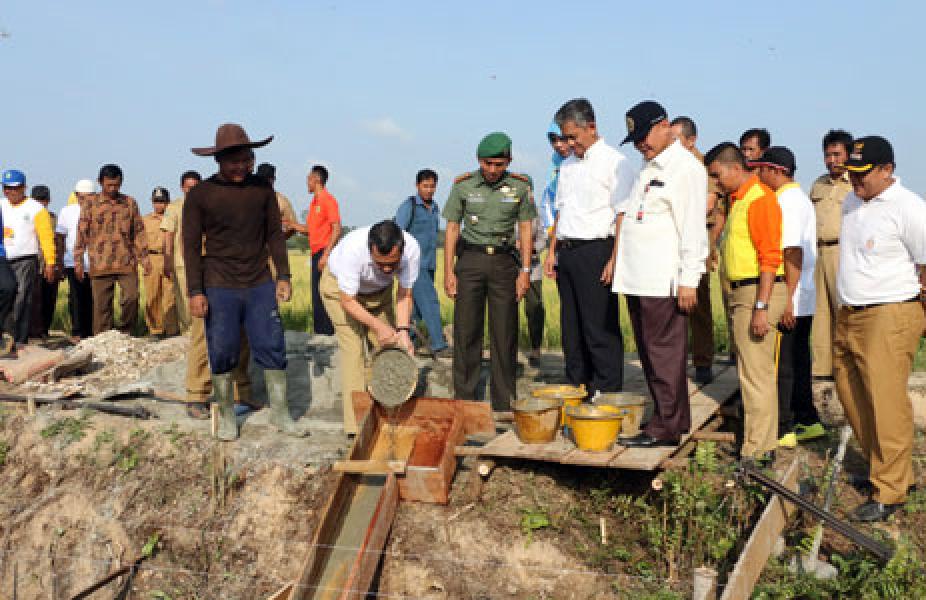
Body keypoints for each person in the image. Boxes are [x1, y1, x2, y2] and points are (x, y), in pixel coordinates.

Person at [184, 123, 306, 440]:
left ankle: (280, 413)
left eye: (245, 160)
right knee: (222, 347)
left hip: (258, 281)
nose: (241, 167)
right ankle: (226, 415)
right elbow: (191, 247)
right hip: (219, 282)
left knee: (270, 342)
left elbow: (275, 236)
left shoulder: (262, 190)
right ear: (218, 161)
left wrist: (284, 275)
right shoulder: (200, 195)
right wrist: (195, 291)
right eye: (233, 161)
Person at [834, 136, 926, 522]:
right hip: (850, 313)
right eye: (851, 175)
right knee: (850, 392)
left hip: (890, 313)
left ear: (887, 170)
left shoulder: (909, 208)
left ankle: (891, 491)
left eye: (863, 175)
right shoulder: (852, 202)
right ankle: (887, 469)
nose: (856, 183)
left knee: (886, 402)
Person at [613, 102, 708, 447]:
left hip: (662, 280)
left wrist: (689, 279)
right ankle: (675, 418)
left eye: (644, 136)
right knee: (652, 354)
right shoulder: (648, 166)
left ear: (665, 125)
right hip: (638, 277)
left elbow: (693, 230)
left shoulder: (685, 169)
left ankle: (664, 428)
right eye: (635, 139)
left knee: (663, 355)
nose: (641, 144)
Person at [543, 98, 636, 395]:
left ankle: (607, 392)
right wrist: (552, 251)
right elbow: (561, 211)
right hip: (567, 252)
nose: (569, 143)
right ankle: (577, 388)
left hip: (597, 250)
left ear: (591, 127)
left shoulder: (615, 162)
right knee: (571, 329)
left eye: (573, 136)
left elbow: (622, 213)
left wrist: (614, 258)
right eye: (565, 137)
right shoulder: (567, 166)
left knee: (599, 328)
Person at [705, 143, 786, 465]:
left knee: (756, 375)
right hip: (746, 293)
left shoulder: (760, 200)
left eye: (717, 175)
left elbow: (770, 258)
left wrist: (762, 307)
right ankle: (760, 443)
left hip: (756, 293)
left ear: (735, 168)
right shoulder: (739, 201)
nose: (715, 182)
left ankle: (757, 449)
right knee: (753, 373)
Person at [443, 132, 535, 410]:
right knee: (466, 332)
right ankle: (465, 401)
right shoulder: (463, 186)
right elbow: (451, 228)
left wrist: (526, 271)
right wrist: (449, 271)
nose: (492, 170)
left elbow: (526, 228)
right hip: (470, 260)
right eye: (487, 164)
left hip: (504, 263)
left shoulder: (519, 187)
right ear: (478, 160)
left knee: (504, 333)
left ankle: (503, 402)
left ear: (508, 161)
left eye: (498, 164)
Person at [752, 147, 824, 448]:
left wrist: (787, 301)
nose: (758, 175)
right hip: (799, 293)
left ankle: (782, 427)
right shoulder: (796, 199)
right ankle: (806, 419)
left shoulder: (787, 202)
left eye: (762, 169)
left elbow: (791, 251)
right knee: (797, 359)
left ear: (777, 171)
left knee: (782, 365)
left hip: (790, 294)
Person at [321, 220, 419, 434]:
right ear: (370, 250)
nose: (386, 268)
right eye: (379, 263)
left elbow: (404, 294)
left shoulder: (412, 250)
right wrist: (378, 326)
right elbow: (348, 301)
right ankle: (356, 428)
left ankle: (390, 415)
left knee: (392, 350)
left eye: (392, 264)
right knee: (354, 352)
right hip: (340, 293)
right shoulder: (352, 252)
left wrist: (402, 331)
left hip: (379, 294)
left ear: (401, 250)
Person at [671, 116, 722, 383]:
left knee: (699, 303)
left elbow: (708, 204)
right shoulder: (668, 166)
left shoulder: (704, 168)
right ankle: (675, 361)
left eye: (677, 139)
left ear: (691, 141)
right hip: (670, 240)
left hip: (697, 239)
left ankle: (703, 360)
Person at [74, 164, 150, 335]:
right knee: (101, 307)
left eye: (116, 185)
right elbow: (82, 232)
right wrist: (78, 260)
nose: (113, 188)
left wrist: (144, 257)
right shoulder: (90, 204)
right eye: (109, 185)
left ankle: (126, 332)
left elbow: (138, 231)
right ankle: (103, 339)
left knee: (132, 298)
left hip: (126, 260)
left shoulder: (129, 203)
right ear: (100, 182)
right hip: (100, 262)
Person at [810, 130, 854, 379]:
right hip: (819, 252)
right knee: (821, 312)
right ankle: (822, 369)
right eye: (828, 155)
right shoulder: (818, 184)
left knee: (843, 310)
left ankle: (846, 367)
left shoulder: (855, 185)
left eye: (837, 154)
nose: (832, 160)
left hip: (843, 252)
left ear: (848, 154)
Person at [394, 169, 450, 358]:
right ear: (417, 186)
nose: (429, 190)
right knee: (431, 303)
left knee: (416, 310)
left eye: (432, 186)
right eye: (425, 186)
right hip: (414, 265)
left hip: (429, 263)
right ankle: (439, 345)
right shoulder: (409, 206)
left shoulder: (434, 207)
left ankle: (405, 342)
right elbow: (397, 232)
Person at [1, 170, 56, 346]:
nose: (10, 192)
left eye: (15, 188)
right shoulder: (1, 205)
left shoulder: (36, 209)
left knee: (22, 297)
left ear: (24, 188)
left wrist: (50, 262)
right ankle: (5, 335)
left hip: (25, 259)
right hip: (3, 260)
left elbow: (46, 237)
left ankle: (19, 339)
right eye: (6, 188)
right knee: (6, 296)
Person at [286, 165, 339, 336]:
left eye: (308, 179)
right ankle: (320, 333)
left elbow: (336, 228)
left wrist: (326, 254)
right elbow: (310, 229)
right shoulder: (314, 202)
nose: (306, 183)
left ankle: (328, 334)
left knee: (325, 294)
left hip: (325, 253)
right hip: (316, 252)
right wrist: (291, 224)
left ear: (316, 180)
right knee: (316, 295)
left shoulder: (328, 200)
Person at [162, 170, 201, 333]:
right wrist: (167, 260)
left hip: (205, 261)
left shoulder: (207, 204)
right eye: (188, 188)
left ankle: (203, 334)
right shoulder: (175, 207)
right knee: (185, 300)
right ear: (182, 188)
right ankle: (188, 334)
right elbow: (168, 234)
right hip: (182, 263)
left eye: (195, 187)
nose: (191, 191)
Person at [56, 180, 95, 340]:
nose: (84, 200)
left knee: (93, 298)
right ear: (76, 195)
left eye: (88, 197)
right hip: (73, 261)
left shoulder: (100, 210)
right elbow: (60, 237)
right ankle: (77, 332)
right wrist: (59, 260)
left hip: (95, 262)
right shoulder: (67, 212)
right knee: (76, 297)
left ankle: (92, 332)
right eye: (81, 197)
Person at [142, 187, 177, 338]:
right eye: (156, 202)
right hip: (152, 259)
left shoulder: (174, 219)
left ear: (168, 202)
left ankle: (172, 330)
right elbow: (139, 241)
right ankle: (155, 330)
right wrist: (142, 260)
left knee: (171, 295)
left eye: (162, 202)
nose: (159, 205)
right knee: (153, 295)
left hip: (170, 258)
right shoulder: (145, 220)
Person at [28, 185, 60, 339]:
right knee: (33, 300)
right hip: (32, 264)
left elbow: (58, 242)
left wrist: (56, 264)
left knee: (49, 298)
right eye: (37, 200)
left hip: (49, 263)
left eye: (43, 200)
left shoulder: (53, 219)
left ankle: (45, 330)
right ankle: (32, 331)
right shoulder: (27, 216)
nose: (41, 203)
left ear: (48, 200)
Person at [519, 216, 546, 367]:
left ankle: (536, 348)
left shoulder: (534, 214)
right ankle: (508, 349)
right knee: (507, 310)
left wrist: (533, 247)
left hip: (533, 268)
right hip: (510, 266)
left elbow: (542, 238)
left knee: (535, 307)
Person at [256, 162, 299, 250]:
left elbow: (293, 226)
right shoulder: (249, 198)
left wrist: (277, 240)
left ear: (273, 179)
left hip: (273, 254)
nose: (264, 182)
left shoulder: (281, 200)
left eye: (267, 179)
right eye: (261, 179)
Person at [538, 122, 571, 231]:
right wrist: (551, 231)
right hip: (560, 237)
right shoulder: (555, 165)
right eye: (553, 140)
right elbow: (547, 203)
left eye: (562, 139)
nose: (558, 144)